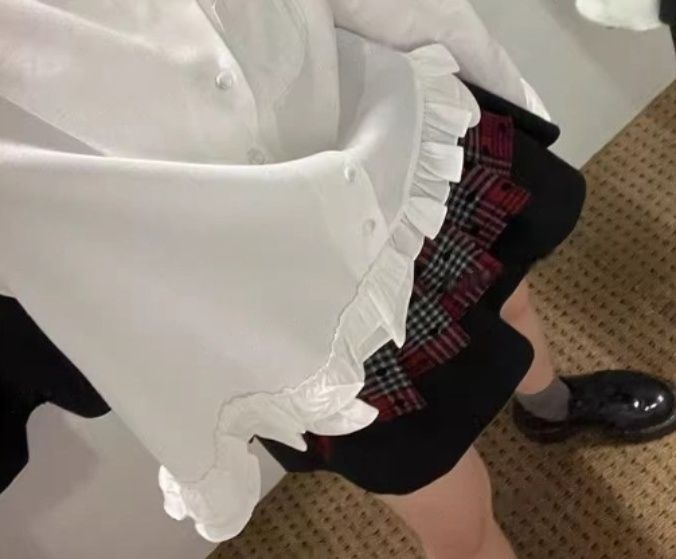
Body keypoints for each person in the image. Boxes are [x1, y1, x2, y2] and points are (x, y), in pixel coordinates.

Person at [1, 1, 674, 556]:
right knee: (452, 506)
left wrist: (490, 77)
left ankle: (550, 407)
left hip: (387, 146)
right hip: (280, 315)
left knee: (510, 294)